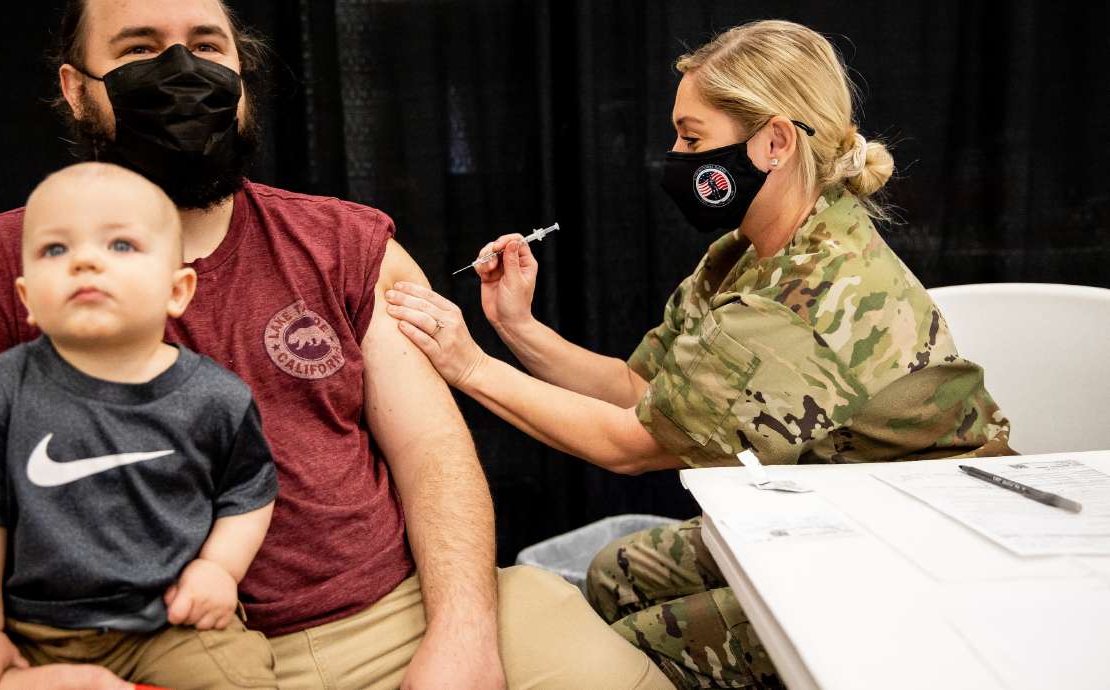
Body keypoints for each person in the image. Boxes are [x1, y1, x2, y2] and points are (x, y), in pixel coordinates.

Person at [0, 1, 672, 689]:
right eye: (138, 49)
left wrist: (462, 634)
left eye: (206, 43)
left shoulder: (345, 245)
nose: (182, 69)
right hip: (145, 653)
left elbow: (434, 456)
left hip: (395, 612)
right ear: (74, 90)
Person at [384, 19, 1012, 689]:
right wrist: (517, 326)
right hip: (831, 511)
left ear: (773, 141)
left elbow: (629, 445)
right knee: (613, 572)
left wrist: (469, 367)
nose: (675, 157)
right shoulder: (743, 256)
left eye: (692, 138)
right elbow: (636, 387)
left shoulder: (806, 297)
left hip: (919, 547)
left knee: (627, 653)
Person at [0, 163, 279, 690]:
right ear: (27, 300)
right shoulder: (4, 389)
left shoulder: (216, 397)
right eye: (54, 250)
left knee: (241, 678)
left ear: (177, 290)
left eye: (120, 246)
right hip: (38, 630)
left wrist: (218, 569)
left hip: (172, 622)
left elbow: (248, 492)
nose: (85, 262)